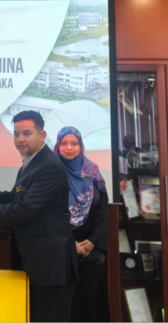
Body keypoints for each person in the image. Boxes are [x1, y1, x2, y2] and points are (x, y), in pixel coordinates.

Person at [0, 110, 77, 323]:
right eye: (16, 134)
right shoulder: (30, 163)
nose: (20, 139)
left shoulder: (50, 166)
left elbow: (26, 208)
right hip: (34, 260)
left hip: (49, 265)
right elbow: (13, 198)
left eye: (27, 133)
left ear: (42, 135)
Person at [54, 127, 111, 323]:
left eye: (74, 143)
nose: (69, 148)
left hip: (89, 252)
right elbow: (48, 213)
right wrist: (70, 244)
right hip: (60, 252)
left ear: (81, 146)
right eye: (64, 143)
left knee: (90, 308)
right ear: (57, 146)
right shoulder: (51, 172)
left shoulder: (92, 170)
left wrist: (93, 241)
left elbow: (102, 209)